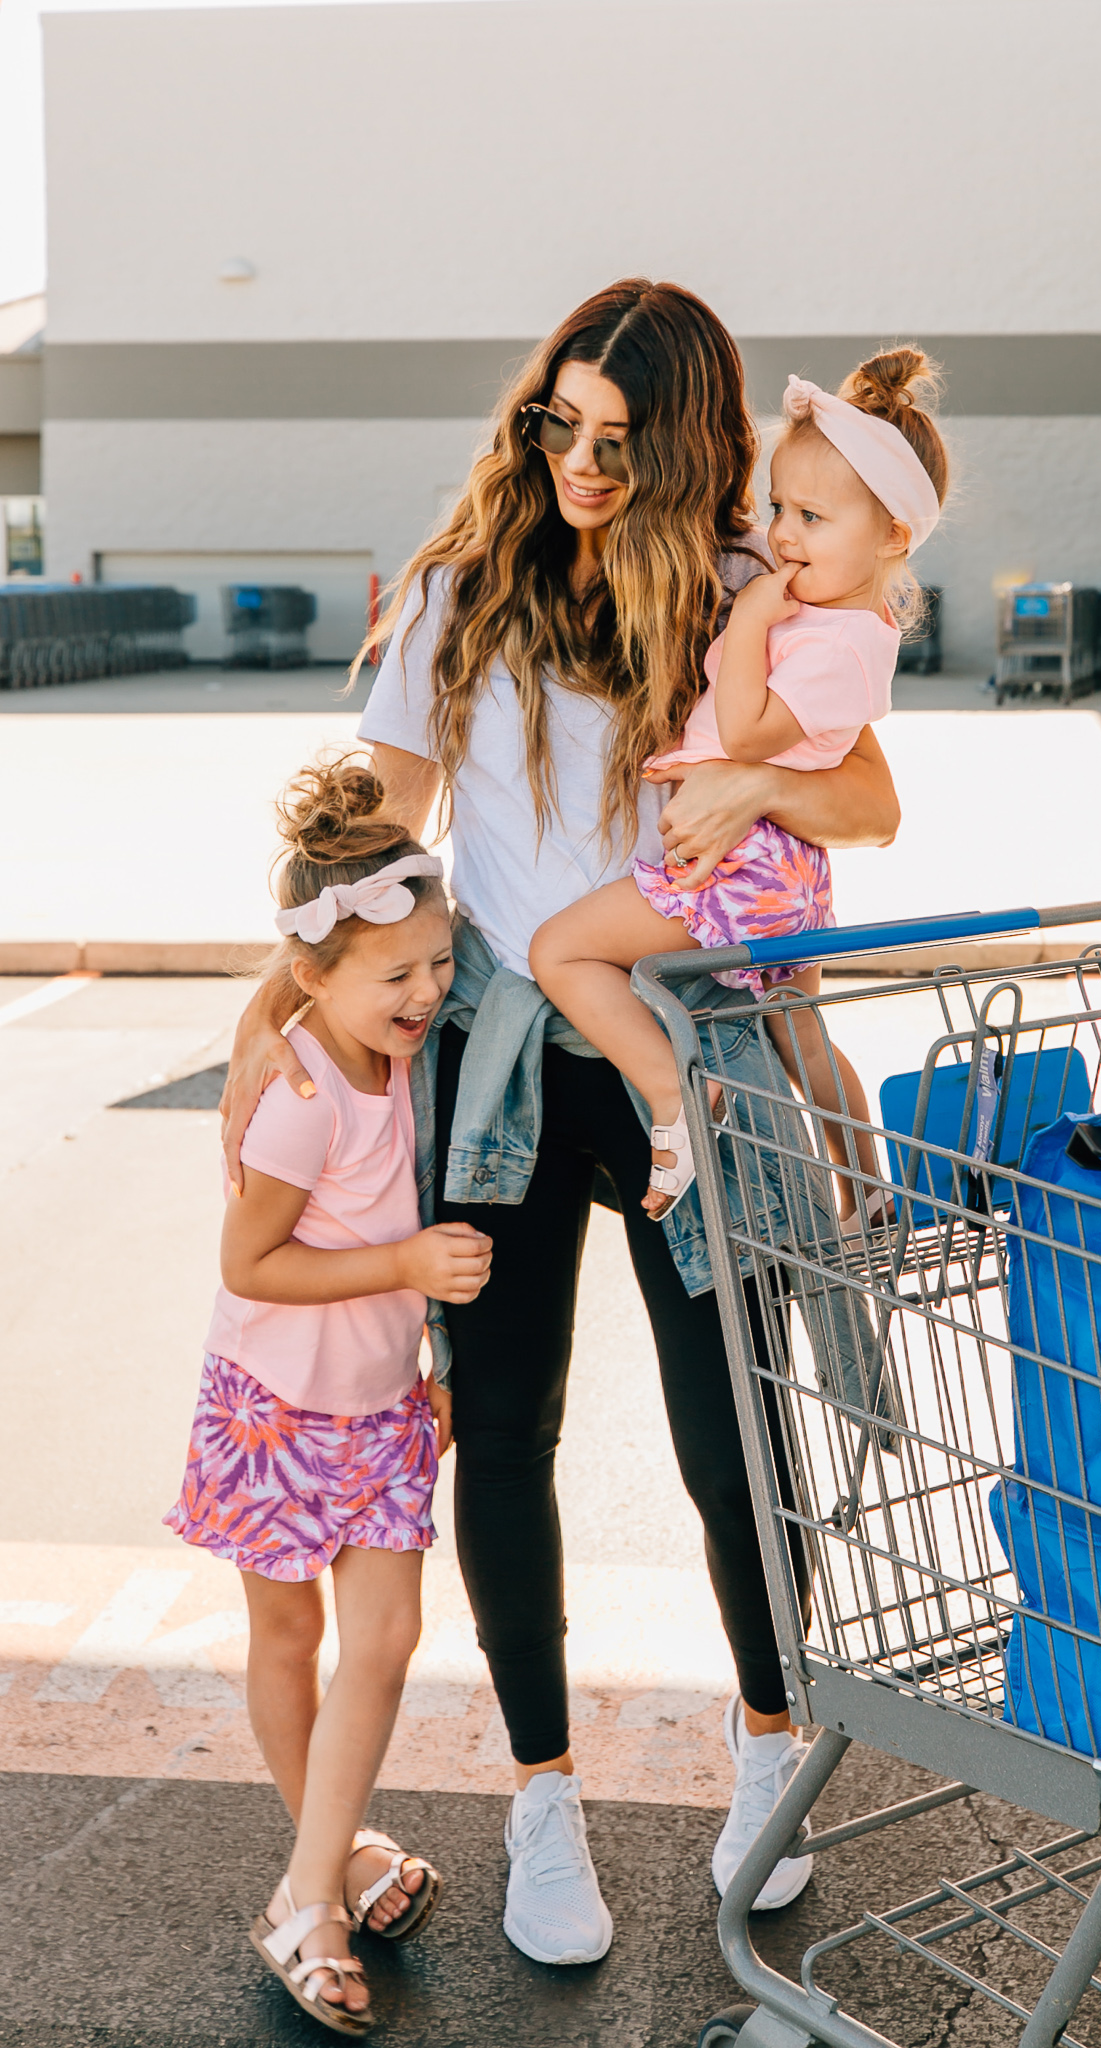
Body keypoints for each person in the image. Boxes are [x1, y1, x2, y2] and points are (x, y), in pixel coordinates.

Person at [219, 279, 901, 1967]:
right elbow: (377, 832)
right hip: (506, 1059)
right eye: (558, 423)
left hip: (689, 1052)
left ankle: (763, 1751)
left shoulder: (748, 587)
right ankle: (541, 1795)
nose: (582, 461)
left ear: (682, 446)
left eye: (618, 437)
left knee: (727, 1429)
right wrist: (273, 1003)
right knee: (503, 1421)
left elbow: (866, 798)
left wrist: (754, 779)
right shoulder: (461, 585)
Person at [168, 758, 492, 2032]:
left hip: (381, 1406)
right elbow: (250, 1261)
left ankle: (310, 1884)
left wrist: (435, 1359)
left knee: (392, 1640)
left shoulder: (402, 1050)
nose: (423, 993)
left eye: (435, 964)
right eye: (394, 974)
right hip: (272, 1408)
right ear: (317, 976)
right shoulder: (299, 1095)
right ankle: (329, 1871)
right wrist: (407, 1265)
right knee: (292, 1640)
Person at [530, 349, 948, 1225]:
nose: (784, 537)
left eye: (812, 518)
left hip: (742, 864)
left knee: (561, 953)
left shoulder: (837, 641)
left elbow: (755, 733)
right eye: (779, 508)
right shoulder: (836, 616)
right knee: (802, 1035)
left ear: (892, 538)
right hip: (784, 867)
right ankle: (866, 1187)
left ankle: (671, 1089)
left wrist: (753, 615)